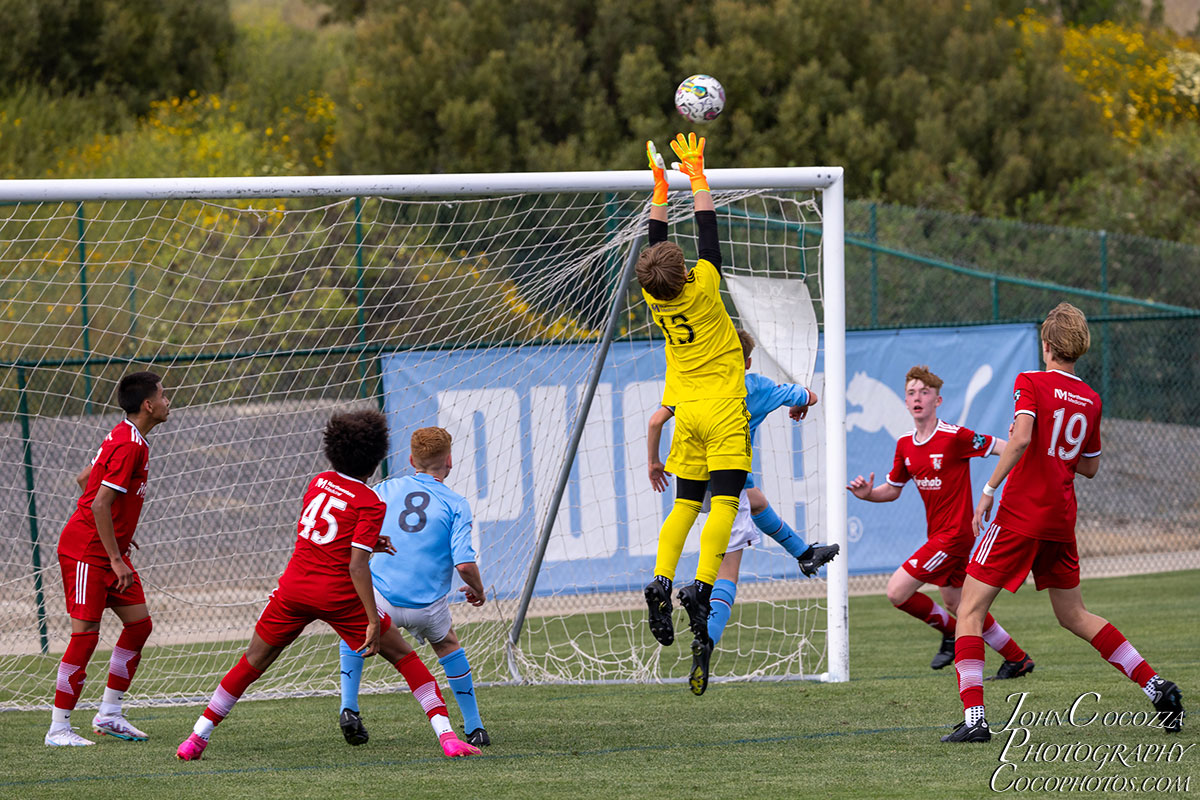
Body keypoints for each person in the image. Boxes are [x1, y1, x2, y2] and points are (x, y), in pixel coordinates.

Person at [176, 410, 479, 761]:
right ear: (377, 457)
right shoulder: (370, 500)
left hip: (293, 589)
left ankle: (196, 738)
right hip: (336, 595)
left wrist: (368, 540)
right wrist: (371, 618)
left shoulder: (318, 482)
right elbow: (356, 565)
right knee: (407, 659)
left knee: (252, 662)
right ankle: (448, 737)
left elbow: (325, 531)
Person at [944, 303, 1185, 743]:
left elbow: (1020, 438)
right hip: (1060, 517)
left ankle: (976, 720)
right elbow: (1090, 468)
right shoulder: (1091, 399)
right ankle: (1157, 687)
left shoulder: (1031, 382)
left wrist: (989, 490)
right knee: (1074, 615)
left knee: (969, 611)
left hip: (1020, 513)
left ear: (1047, 345)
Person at [647, 328, 840, 694]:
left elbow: (657, 420)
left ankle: (804, 554)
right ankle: (706, 638)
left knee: (758, 502)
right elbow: (809, 396)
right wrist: (800, 400)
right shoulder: (757, 386)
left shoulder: (693, 377)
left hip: (691, 471)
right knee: (727, 573)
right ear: (747, 362)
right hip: (724, 479)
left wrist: (654, 462)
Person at [637, 133, 753, 695]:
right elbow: (710, 234)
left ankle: (661, 578)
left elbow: (659, 250)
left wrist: (662, 190)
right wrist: (697, 175)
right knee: (724, 506)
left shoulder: (654, 296)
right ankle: (699, 587)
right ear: (685, 273)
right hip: (725, 411)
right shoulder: (703, 287)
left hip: (685, 413)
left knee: (684, 504)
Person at [847, 365, 1031, 677]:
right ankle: (1017, 658)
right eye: (911, 393)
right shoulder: (905, 444)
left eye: (925, 392)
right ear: (905, 402)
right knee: (957, 603)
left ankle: (950, 632)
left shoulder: (954, 436)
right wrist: (867, 495)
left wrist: (1012, 451)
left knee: (897, 591)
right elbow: (892, 490)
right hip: (939, 534)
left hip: (956, 535)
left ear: (938, 400)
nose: (917, 398)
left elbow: (1006, 449)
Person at [335, 426, 490, 749]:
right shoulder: (456, 503)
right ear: (449, 460)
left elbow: (353, 537)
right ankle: (475, 727)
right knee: (448, 645)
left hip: (381, 598)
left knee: (355, 631)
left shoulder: (383, 490)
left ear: (410, 459)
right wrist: (478, 589)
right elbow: (464, 565)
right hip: (427, 607)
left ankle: (349, 707)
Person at [46, 371, 170, 746]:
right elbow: (98, 500)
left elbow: (86, 478)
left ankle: (110, 713)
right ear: (148, 405)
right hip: (87, 552)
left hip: (105, 549)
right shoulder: (130, 444)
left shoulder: (127, 436)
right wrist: (113, 554)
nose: (168, 402)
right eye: (164, 396)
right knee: (85, 635)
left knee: (140, 625)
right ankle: (59, 729)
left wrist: (115, 538)